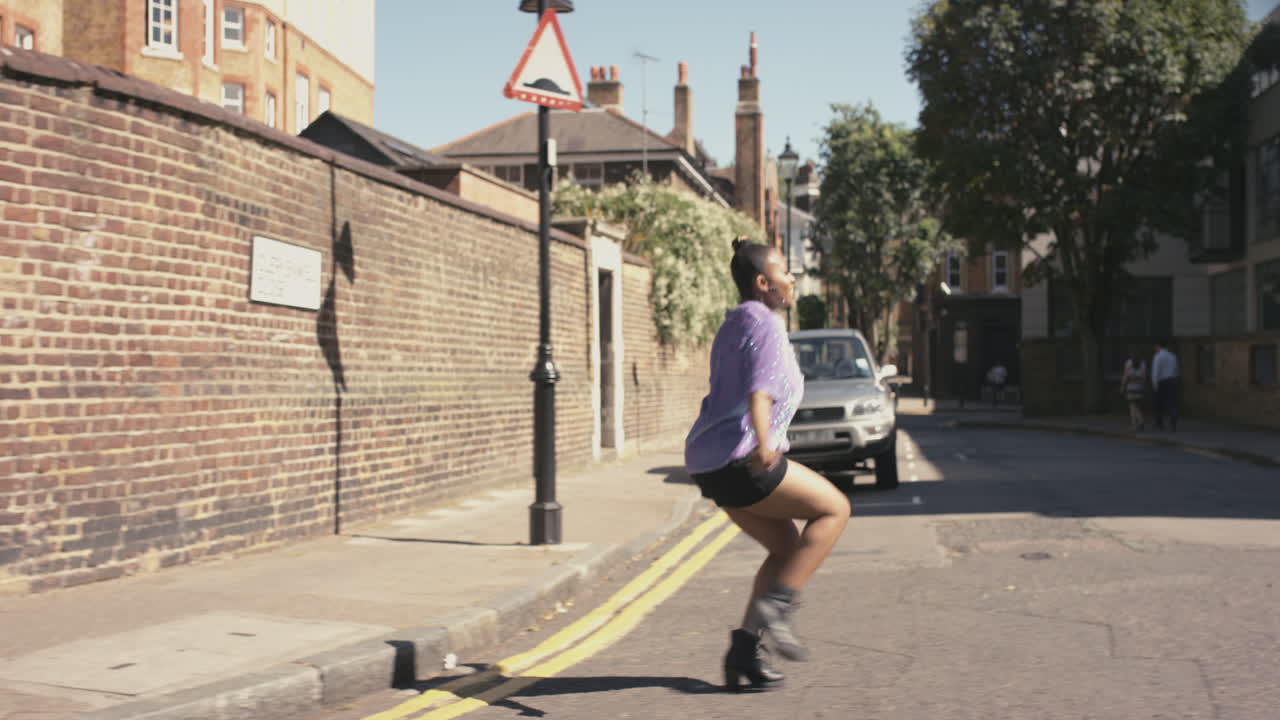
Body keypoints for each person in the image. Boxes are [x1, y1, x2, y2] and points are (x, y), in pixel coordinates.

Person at [684, 238, 851, 692]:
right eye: (784, 272)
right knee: (834, 510)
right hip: (742, 456)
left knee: (784, 548)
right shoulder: (766, 323)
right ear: (763, 283)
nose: (792, 278)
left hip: (708, 462)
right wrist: (763, 442)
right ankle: (778, 607)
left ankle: (743, 655)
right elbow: (760, 391)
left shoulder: (736, 322)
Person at [1151, 341, 1180, 431]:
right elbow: (1176, 369)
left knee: (1159, 403)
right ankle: (1173, 423)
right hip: (1172, 380)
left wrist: (1155, 384)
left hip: (1161, 381)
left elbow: (1155, 371)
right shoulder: (1173, 356)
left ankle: (1159, 423)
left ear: (1158, 346)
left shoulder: (1158, 356)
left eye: (1155, 346)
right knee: (1172, 402)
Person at [1120, 351, 1147, 432]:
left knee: (1132, 406)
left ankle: (1135, 424)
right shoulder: (1142, 363)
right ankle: (1140, 421)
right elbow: (1144, 376)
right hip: (1139, 386)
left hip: (1131, 386)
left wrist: (1122, 387)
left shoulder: (1128, 363)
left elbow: (1126, 376)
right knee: (1137, 405)